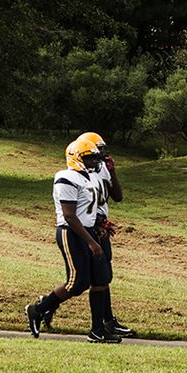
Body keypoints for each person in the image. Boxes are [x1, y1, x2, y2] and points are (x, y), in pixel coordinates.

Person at [23, 135, 123, 344]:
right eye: (89, 158)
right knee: (77, 283)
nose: (94, 162)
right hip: (71, 233)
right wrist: (91, 241)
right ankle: (38, 309)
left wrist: (99, 226)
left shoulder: (90, 177)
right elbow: (70, 216)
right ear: (76, 158)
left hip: (89, 230)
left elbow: (90, 209)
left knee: (101, 280)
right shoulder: (65, 177)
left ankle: (97, 330)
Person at [80, 132, 137, 339]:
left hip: (101, 226)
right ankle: (43, 307)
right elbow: (84, 208)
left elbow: (118, 196)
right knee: (88, 280)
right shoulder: (81, 174)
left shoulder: (100, 168)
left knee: (105, 276)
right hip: (92, 227)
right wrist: (98, 223)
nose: (101, 154)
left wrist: (112, 172)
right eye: (96, 151)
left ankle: (108, 321)